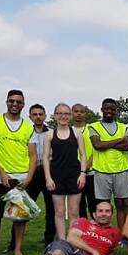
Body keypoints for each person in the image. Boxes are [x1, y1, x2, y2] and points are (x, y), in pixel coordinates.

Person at [13, 201, 121, 255]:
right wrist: (94, 251)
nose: (103, 214)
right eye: (100, 211)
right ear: (94, 214)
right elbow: (72, 237)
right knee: (58, 254)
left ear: (112, 214)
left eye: (107, 211)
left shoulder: (115, 232)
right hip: (69, 246)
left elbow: (110, 251)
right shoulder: (84, 222)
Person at [0, 89, 38, 255]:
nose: (15, 104)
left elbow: (33, 155)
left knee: (20, 216)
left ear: (23, 104)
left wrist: (29, 178)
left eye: (19, 102)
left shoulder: (29, 127)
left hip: (21, 177)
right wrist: (1, 172)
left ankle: (17, 249)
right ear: (6, 101)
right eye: (12, 101)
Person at [43, 103, 87, 241]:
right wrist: (48, 178)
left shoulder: (76, 133)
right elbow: (45, 158)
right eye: (60, 113)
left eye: (66, 113)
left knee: (74, 211)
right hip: (57, 176)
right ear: (55, 115)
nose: (63, 116)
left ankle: (73, 241)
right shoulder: (49, 134)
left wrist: (82, 173)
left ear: (70, 116)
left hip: (74, 175)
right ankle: (63, 242)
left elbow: (83, 155)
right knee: (59, 212)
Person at [88, 98, 128, 229]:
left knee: (122, 204)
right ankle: (103, 233)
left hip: (121, 170)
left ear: (116, 111)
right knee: (103, 205)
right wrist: (119, 140)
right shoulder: (94, 126)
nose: (109, 111)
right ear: (102, 109)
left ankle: (123, 233)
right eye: (106, 108)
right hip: (102, 171)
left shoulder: (122, 127)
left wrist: (106, 144)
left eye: (112, 109)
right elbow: (97, 145)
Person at [72, 103, 97, 220]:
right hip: (75, 173)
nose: (78, 114)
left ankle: (96, 230)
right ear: (72, 113)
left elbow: (96, 149)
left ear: (85, 114)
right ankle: (83, 230)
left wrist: (87, 164)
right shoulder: (67, 130)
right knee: (79, 205)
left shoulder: (91, 129)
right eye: (76, 111)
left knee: (94, 203)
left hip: (91, 173)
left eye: (81, 111)